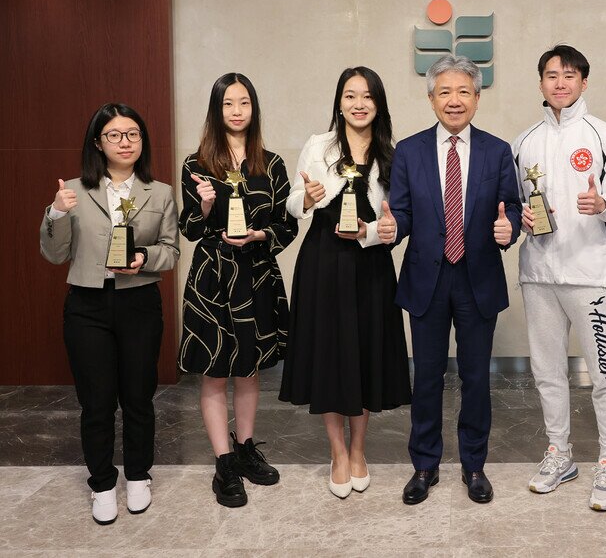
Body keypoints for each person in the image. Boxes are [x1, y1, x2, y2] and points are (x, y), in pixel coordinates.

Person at [377, 55, 522, 505]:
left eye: (463, 92)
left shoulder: (498, 151)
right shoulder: (410, 150)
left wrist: (509, 229)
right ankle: (424, 464)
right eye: (445, 92)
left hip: (478, 278)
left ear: (477, 98)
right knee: (428, 378)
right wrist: (392, 228)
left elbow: (511, 207)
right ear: (431, 99)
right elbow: (399, 211)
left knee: (477, 377)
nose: (454, 100)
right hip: (427, 279)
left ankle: (474, 465)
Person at [40, 103, 179, 525]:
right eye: (115, 135)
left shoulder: (161, 192)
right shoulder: (75, 191)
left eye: (133, 134)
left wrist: (141, 258)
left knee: (138, 396)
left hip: (139, 302)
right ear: (98, 142)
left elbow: (171, 252)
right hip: (87, 305)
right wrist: (58, 212)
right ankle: (102, 482)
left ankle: (138, 475)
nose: (125, 142)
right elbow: (54, 254)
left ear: (143, 142)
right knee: (96, 402)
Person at [511, 45, 606, 511]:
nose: (559, 83)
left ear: (584, 81)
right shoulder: (523, 141)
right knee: (547, 374)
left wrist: (603, 204)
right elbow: (513, 204)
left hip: (589, 275)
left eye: (569, 75)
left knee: (604, 375)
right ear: (540, 83)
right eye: (550, 75)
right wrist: (520, 218)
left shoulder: (604, 136)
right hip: (539, 274)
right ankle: (559, 454)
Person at [279, 66, 411, 498]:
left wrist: (374, 233)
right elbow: (293, 204)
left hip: (369, 261)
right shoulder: (319, 145)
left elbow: (394, 222)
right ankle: (337, 452)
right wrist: (308, 198)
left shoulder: (392, 153)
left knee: (364, 352)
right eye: (351, 95)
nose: (359, 104)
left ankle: (359, 450)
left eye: (367, 96)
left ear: (378, 104)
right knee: (330, 353)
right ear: (339, 102)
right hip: (323, 258)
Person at [178, 73, 298, 508]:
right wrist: (206, 204)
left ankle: (246, 449)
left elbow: (288, 225)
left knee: (249, 369)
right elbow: (189, 228)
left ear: (254, 108)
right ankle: (224, 462)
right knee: (215, 370)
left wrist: (259, 236)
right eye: (228, 104)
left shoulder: (273, 163)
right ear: (217, 110)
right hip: (212, 277)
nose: (236, 111)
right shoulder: (196, 163)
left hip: (258, 274)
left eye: (243, 102)